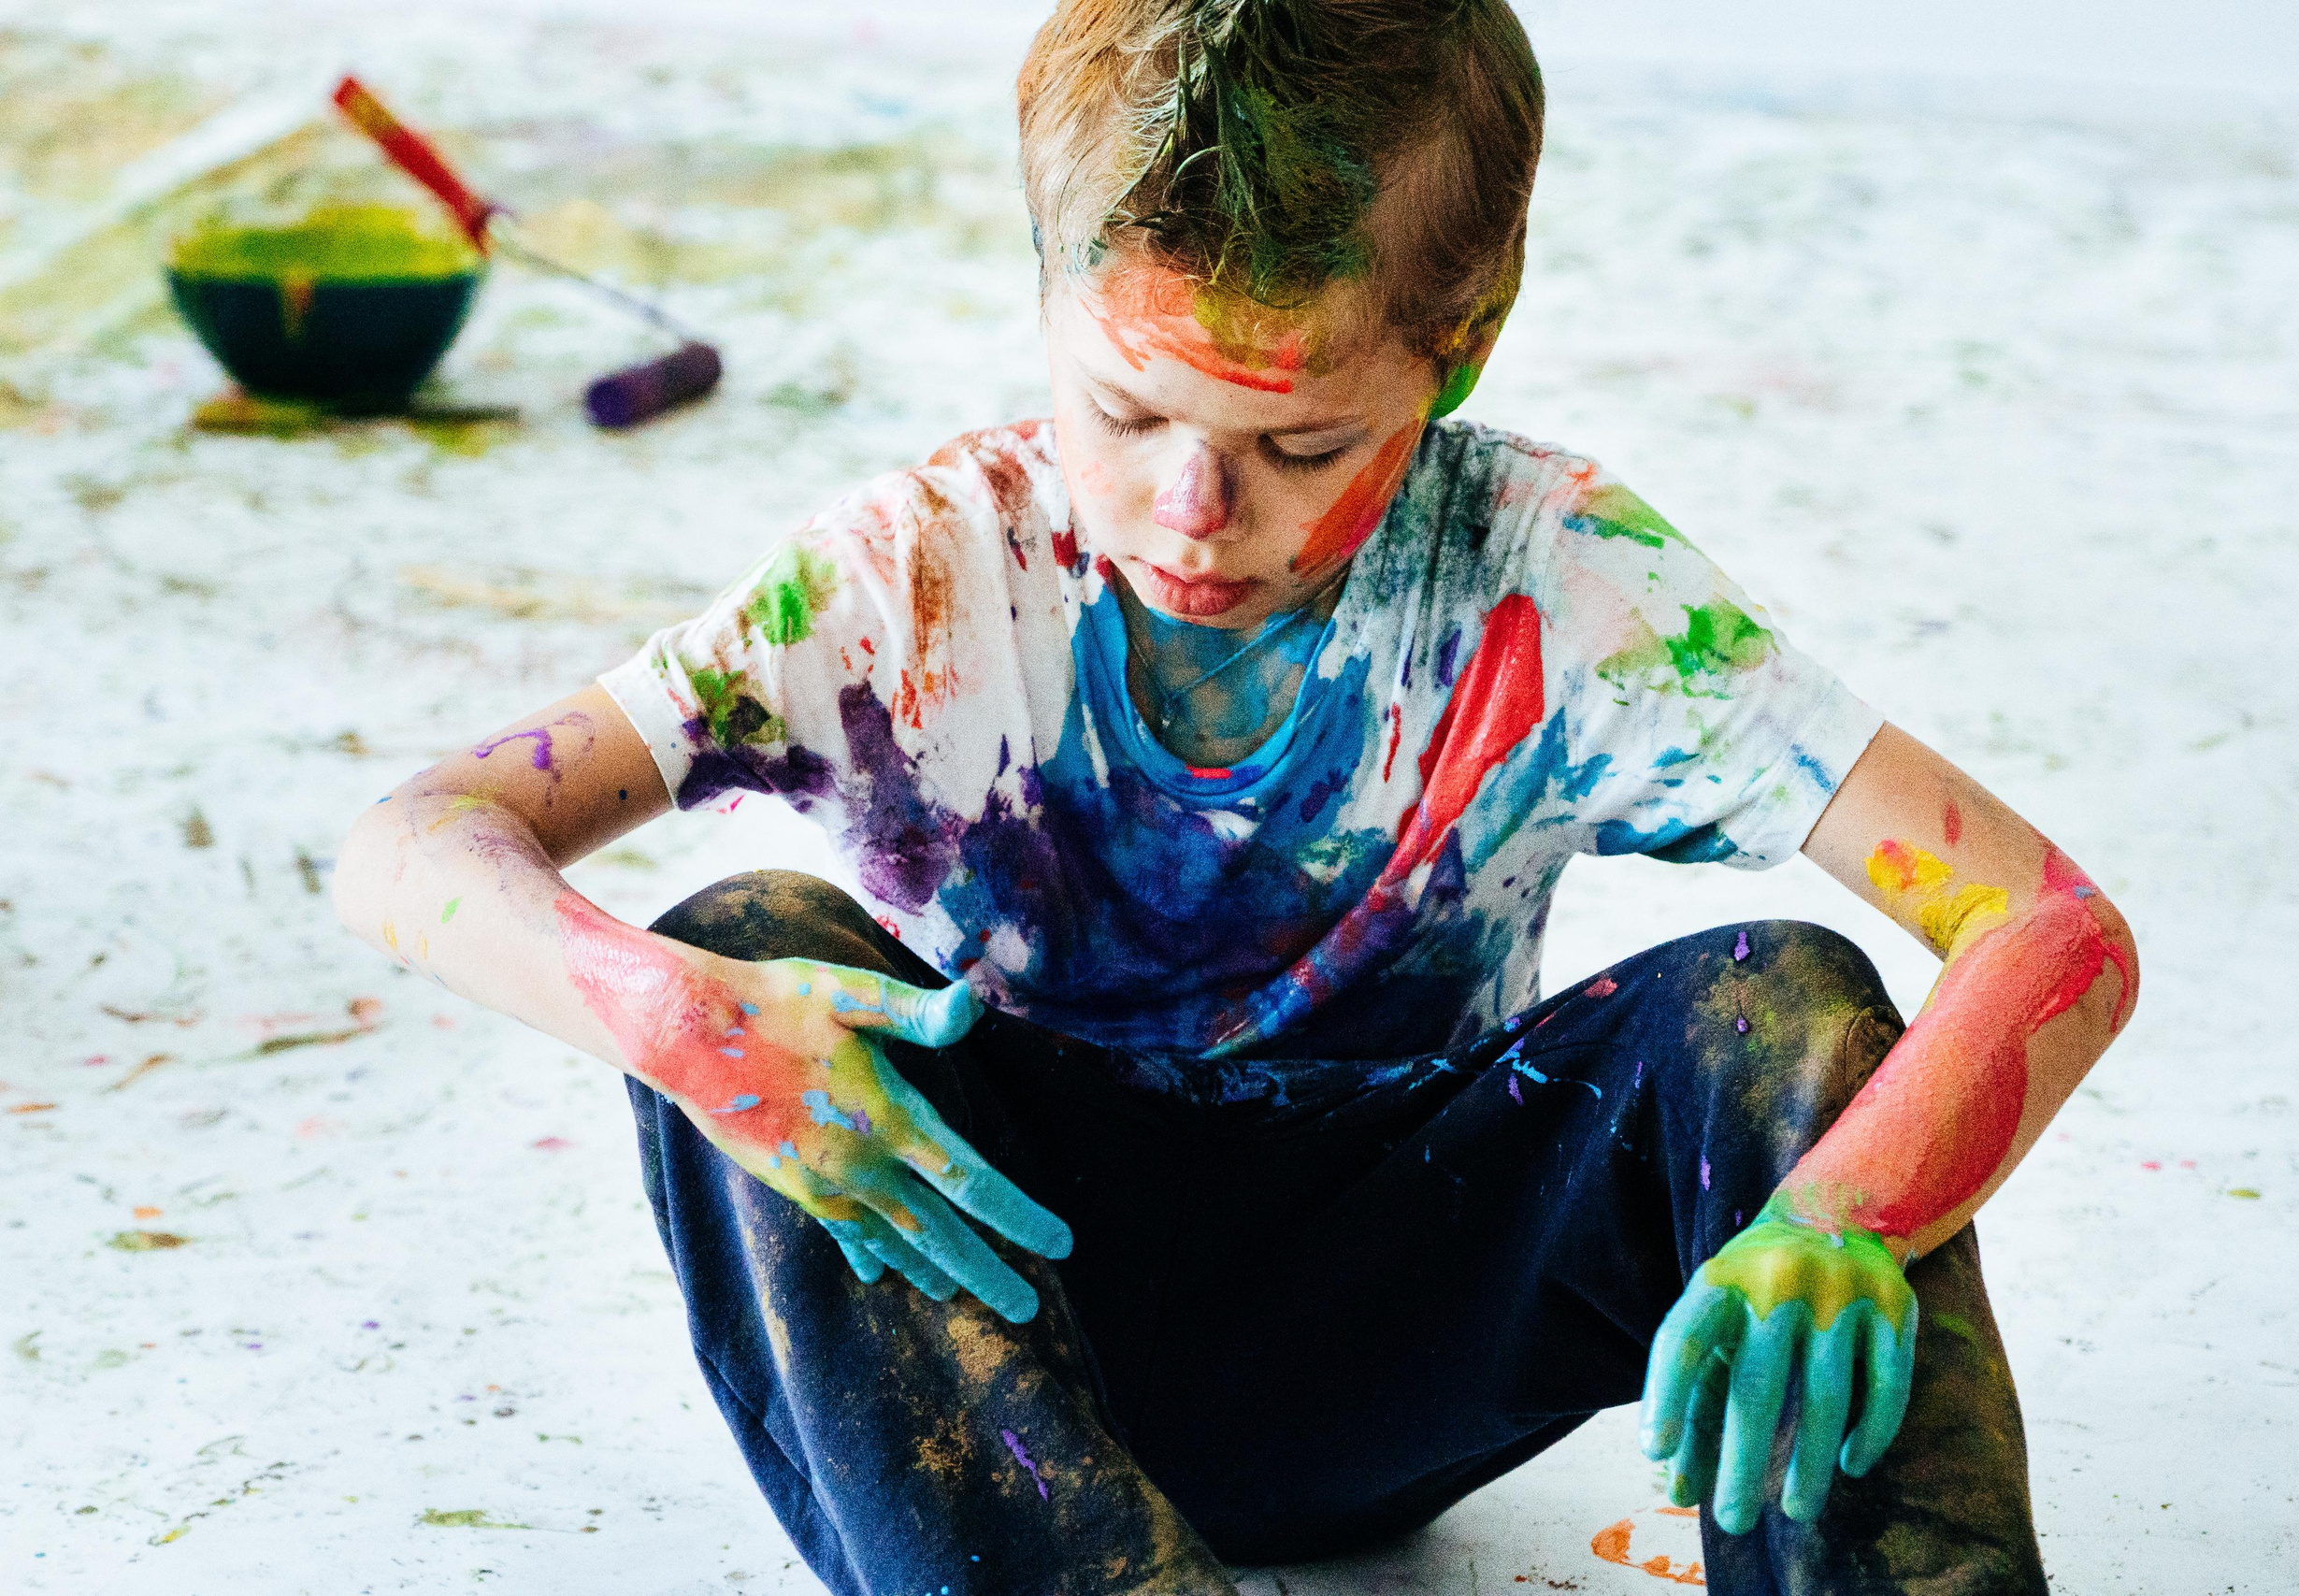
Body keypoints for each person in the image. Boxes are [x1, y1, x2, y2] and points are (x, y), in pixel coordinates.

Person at [333, 2, 2138, 1590]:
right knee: (735, 949)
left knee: (1785, 1004)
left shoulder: (1557, 577)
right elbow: (416, 840)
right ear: (1045, 290)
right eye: (1126, 414)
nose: (1196, 512)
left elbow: (2050, 926)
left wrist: (1849, 1213)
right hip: (973, 1343)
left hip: (1393, 1311)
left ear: (1464, 347)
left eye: (1301, 445)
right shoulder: (916, 579)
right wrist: (666, 1018)